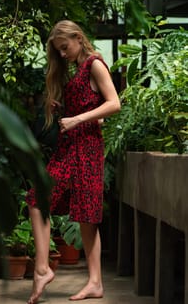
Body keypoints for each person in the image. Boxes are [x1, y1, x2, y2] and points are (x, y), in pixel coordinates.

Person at [26, 20, 121, 303]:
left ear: (79, 38)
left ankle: (94, 283)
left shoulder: (94, 64)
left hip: (88, 148)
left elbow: (114, 103)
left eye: (65, 47)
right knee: (39, 200)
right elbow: (94, 109)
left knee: (85, 216)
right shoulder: (76, 70)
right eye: (59, 50)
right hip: (70, 148)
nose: (63, 54)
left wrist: (78, 117)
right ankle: (43, 269)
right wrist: (65, 109)